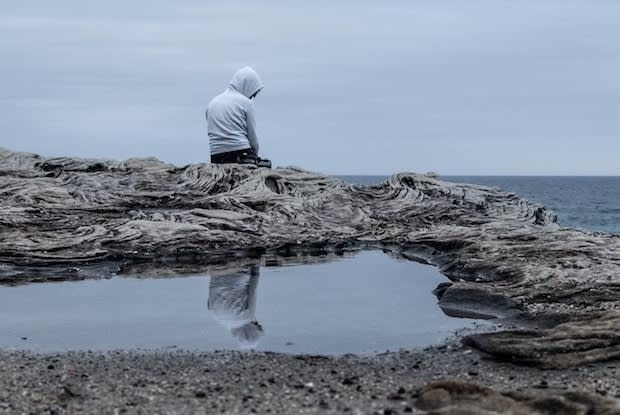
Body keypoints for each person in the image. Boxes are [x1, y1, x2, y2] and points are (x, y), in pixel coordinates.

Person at [205, 66, 270, 166]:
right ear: (247, 85)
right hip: (241, 154)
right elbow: (253, 140)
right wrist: (255, 155)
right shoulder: (246, 103)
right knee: (267, 165)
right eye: (253, 93)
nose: (252, 97)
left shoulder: (212, 103)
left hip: (215, 156)